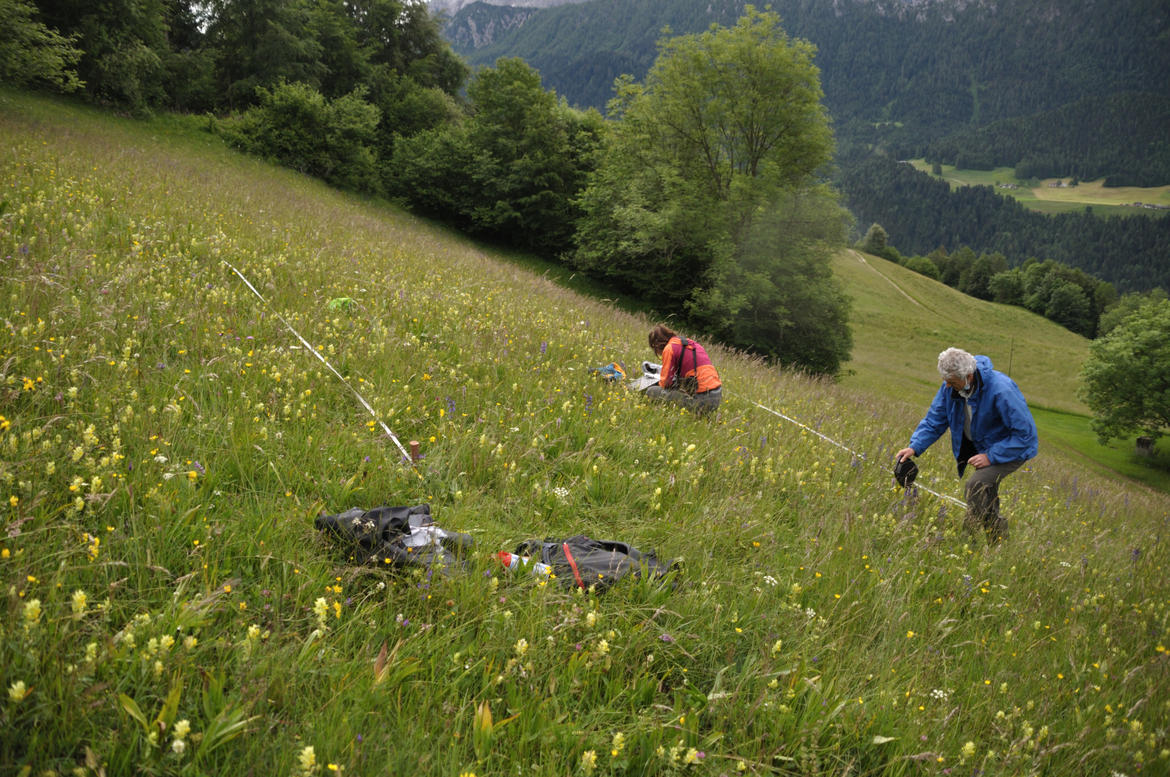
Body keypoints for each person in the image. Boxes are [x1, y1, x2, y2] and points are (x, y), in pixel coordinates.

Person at [895, 347, 1037, 544]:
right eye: (945, 380)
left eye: (952, 382)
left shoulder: (1001, 390)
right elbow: (936, 419)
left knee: (976, 485)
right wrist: (914, 446)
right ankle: (996, 543)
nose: (946, 386)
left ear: (968, 376)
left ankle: (973, 538)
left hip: (1012, 449)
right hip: (984, 445)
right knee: (984, 493)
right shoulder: (950, 386)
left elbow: (1025, 435)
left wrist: (991, 456)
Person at [645, 324, 722, 415]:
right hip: (717, 397)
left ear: (657, 345)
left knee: (651, 391)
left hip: (701, 401)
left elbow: (665, 383)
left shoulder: (669, 348)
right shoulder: (692, 344)